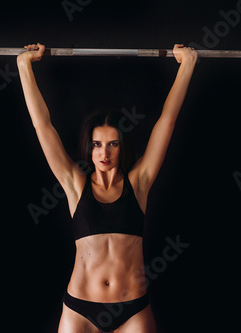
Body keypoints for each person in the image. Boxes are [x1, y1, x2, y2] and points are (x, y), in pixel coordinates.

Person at [17, 42, 197, 333]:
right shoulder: (74, 184)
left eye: (113, 144)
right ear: (89, 148)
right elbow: (43, 126)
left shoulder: (139, 182)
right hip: (80, 309)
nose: (104, 152)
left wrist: (187, 65)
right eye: (97, 144)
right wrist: (24, 65)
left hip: (133, 309)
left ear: (121, 146)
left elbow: (168, 120)